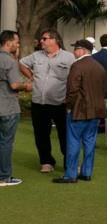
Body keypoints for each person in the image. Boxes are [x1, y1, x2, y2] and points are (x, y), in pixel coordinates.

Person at [19, 29, 74, 173]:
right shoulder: (36, 56)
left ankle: (69, 163)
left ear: (55, 40)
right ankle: (46, 162)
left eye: (44, 38)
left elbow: (75, 77)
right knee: (41, 134)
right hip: (39, 103)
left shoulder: (69, 58)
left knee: (64, 135)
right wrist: (31, 77)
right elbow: (22, 63)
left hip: (60, 103)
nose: (41, 41)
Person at [53, 39, 107, 184]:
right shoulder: (99, 67)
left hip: (79, 111)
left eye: (76, 49)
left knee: (73, 142)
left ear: (83, 50)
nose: (74, 52)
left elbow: (72, 89)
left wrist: (68, 106)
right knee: (89, 142)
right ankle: (87, 172)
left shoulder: (77, 66)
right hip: (96, 111)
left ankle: (70, 175)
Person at [0, 30, 31, 188]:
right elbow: (14, 85)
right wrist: (27, 86)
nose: (17, 45)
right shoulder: (10, 61)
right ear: (9, 42)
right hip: (8, 108)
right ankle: (4, 177)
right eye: (16, 42)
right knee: (6, 143)